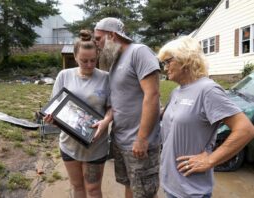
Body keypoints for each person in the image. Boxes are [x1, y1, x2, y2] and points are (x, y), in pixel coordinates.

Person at [157, 36, 254, 198]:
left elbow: (245, 129)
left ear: (185, 59)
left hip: (191, 191)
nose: (165, 68)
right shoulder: (177, 91)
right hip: (171, 184)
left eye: (168, 62)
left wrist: (210, 160)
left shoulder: (208, 90)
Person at [94, 17, 161, 198]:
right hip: (121, 141)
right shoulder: (116, 61)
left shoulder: (139, 52)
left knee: (144, 192)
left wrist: (142, 138)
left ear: (112, 35)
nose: (97, 44)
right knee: (129, 186)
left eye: (98, 39)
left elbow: (153, 95)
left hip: (138, 142)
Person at [44, 30, 112, 198]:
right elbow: (55, 107)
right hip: (69, 145)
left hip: (96, 145)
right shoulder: (64, 76)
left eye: (93, 60)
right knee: (76, 186)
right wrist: (52, 119)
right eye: (84, 61)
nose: (89, 64)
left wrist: (106, 121)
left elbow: (112, 108)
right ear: (75, 57)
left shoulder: (106, 78)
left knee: (93, 189)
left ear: (98, 56)